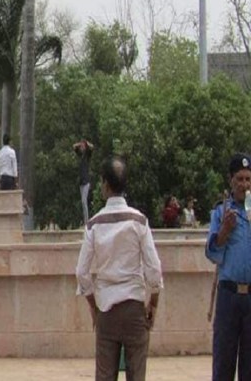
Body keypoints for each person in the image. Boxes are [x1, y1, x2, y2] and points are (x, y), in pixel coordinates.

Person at [75, 156, 163, 381]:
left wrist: (92, 305)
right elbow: (153, 268)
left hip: (106, 309)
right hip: (134, 307)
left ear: (105, 184)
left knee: (105, 375)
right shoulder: (139, 221)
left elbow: (82, 272)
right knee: (137, 374)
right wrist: (153, 302)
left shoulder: (94, 224)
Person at [205, 153, 251, 381]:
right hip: (229, 296)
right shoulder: (221, 211)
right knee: (224, 363)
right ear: (231, 180)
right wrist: (224, 231)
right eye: (239, 179)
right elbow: (212, 254)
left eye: (248, 179)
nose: (244, 184)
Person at [74, 139, 94, 223]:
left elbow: (92, 147)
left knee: (83, 201)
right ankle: (85, 219)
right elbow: (74, 146)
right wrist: (80, 143)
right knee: (83, 203)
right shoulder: (80, 155)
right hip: (81, 182)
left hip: (86, 182)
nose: (81, 148)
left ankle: (86, 221)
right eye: (81, 147)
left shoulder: (87, 155)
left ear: (85, 147)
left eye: (83, 146)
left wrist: (86, 143)